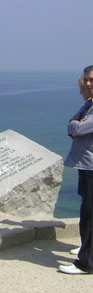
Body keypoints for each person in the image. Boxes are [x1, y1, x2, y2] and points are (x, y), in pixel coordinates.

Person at [59, 65, 93, 274]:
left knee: (89, 214)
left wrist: (76, 125)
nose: (88, 84)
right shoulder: (88, 105)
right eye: (86, 80)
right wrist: (75, 124)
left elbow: (78, 128)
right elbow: (73, 124)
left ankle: (86, 262)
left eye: (92, 80)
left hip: (91, 166)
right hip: (86, 164)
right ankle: (88, 249)